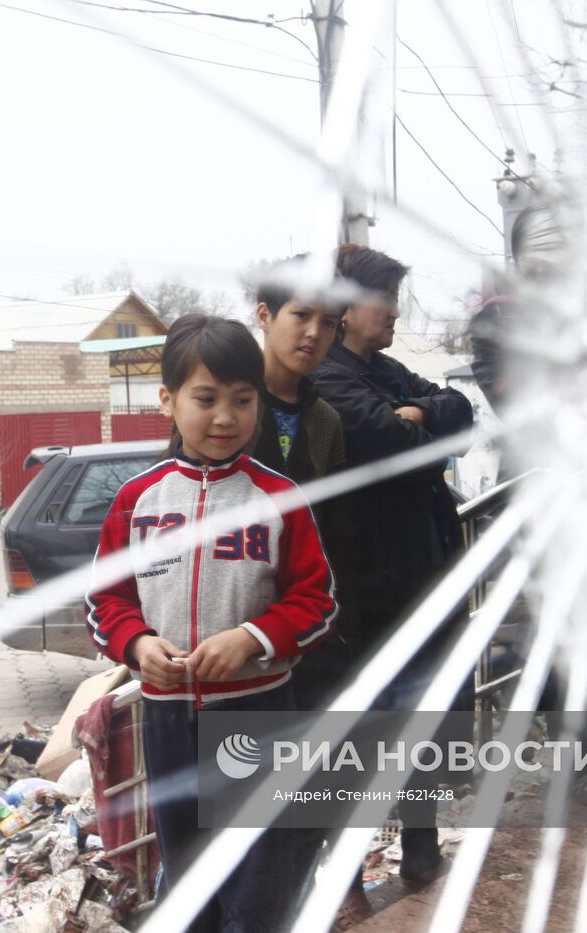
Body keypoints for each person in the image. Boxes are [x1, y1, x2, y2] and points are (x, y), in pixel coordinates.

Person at [85, 313, 337, 932]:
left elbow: (318, 599)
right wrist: (137, 643)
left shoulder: (279, 498)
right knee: (190, 875)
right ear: (167, 400)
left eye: (242, 400)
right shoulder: (138, 501)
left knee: (260, 878)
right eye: (206, 399)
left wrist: (251, 638)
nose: (225, 417)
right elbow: (105, 601)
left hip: (257, 716)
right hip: (167, 720)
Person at [309, 244, 475, 887]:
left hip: (419, 569)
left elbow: (461, 410)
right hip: (367, 580)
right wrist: (417, 424)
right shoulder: (328, 376)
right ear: (347, 309)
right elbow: (390, 440)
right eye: (385, 302)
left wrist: (421, 413)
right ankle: (345, 867)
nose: (395, 315)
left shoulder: (389, 370)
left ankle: (422, 846)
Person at [245, 256, 355, 712]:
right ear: (265, 315)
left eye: (329, 322)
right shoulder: (227, 409)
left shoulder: (325, 418)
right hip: (232, 632)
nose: (314, 333)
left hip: (306, 626)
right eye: (301, 315)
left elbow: (333, 526)